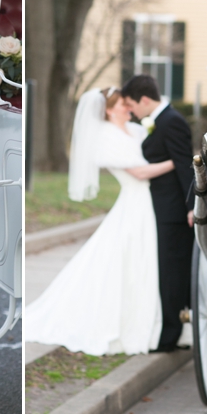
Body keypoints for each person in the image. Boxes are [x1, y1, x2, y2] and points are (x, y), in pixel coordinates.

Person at [25, 88, 174, 355]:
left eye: (129, 102)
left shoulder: (139, 129)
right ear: (108, 109)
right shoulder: (105, 136)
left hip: (153, 202)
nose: (128, 106)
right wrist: (176, 161)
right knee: (131, 261)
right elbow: (139, 172)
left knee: (145, 262)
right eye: (122, 104)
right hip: (135, 203)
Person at [121, 75, 195, 352]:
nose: (132, 111)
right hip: (161, 209)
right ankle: (170, 330)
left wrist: (191, 206)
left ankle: (171, 335)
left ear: (145, 100)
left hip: (173, 211)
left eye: (131, 105)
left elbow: (185, 165)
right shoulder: (159, 121)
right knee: (167, 272)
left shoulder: (171, 121)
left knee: (173, 273)